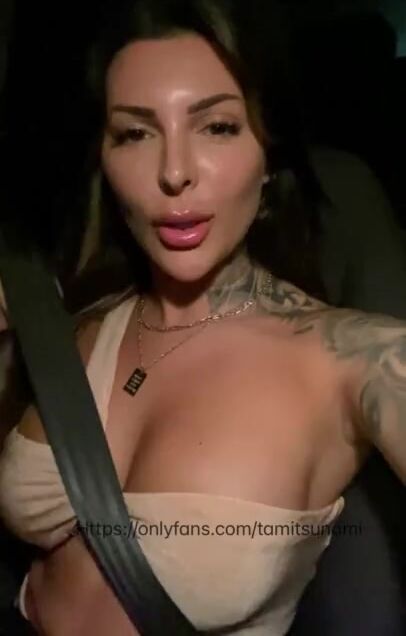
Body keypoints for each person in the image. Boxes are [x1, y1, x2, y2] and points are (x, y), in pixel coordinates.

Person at [0, 1, 405, 634]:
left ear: (269, 153)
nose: (174, 173)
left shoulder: (359, 359)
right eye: (136, 134)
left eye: (216, 127)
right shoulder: (76, 323)